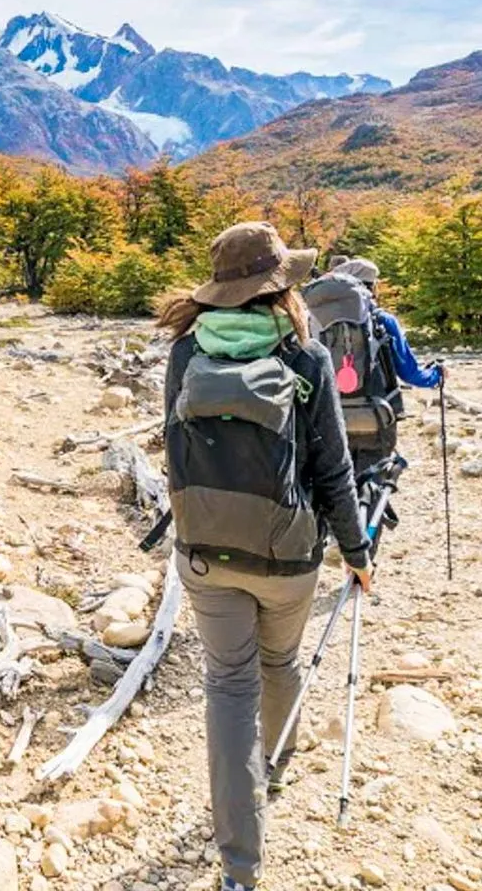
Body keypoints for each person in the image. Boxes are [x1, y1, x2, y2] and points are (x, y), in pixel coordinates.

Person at [159, 221, 374, 891]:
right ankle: (275, 766)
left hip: (204, 550)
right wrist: (356, 551)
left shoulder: (186, 351)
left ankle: (238, 869)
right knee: (279, 662)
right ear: (279, 287)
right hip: (287, 556)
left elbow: (172, 449)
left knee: (228, 685)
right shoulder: (304, 356)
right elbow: (334, 470)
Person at [331, 257, 442, 390]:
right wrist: (437, 374)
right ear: (372, 288)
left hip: (327, 406)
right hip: (375, 402)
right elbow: (410, 375)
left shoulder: (318, 319)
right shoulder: (383, 320)